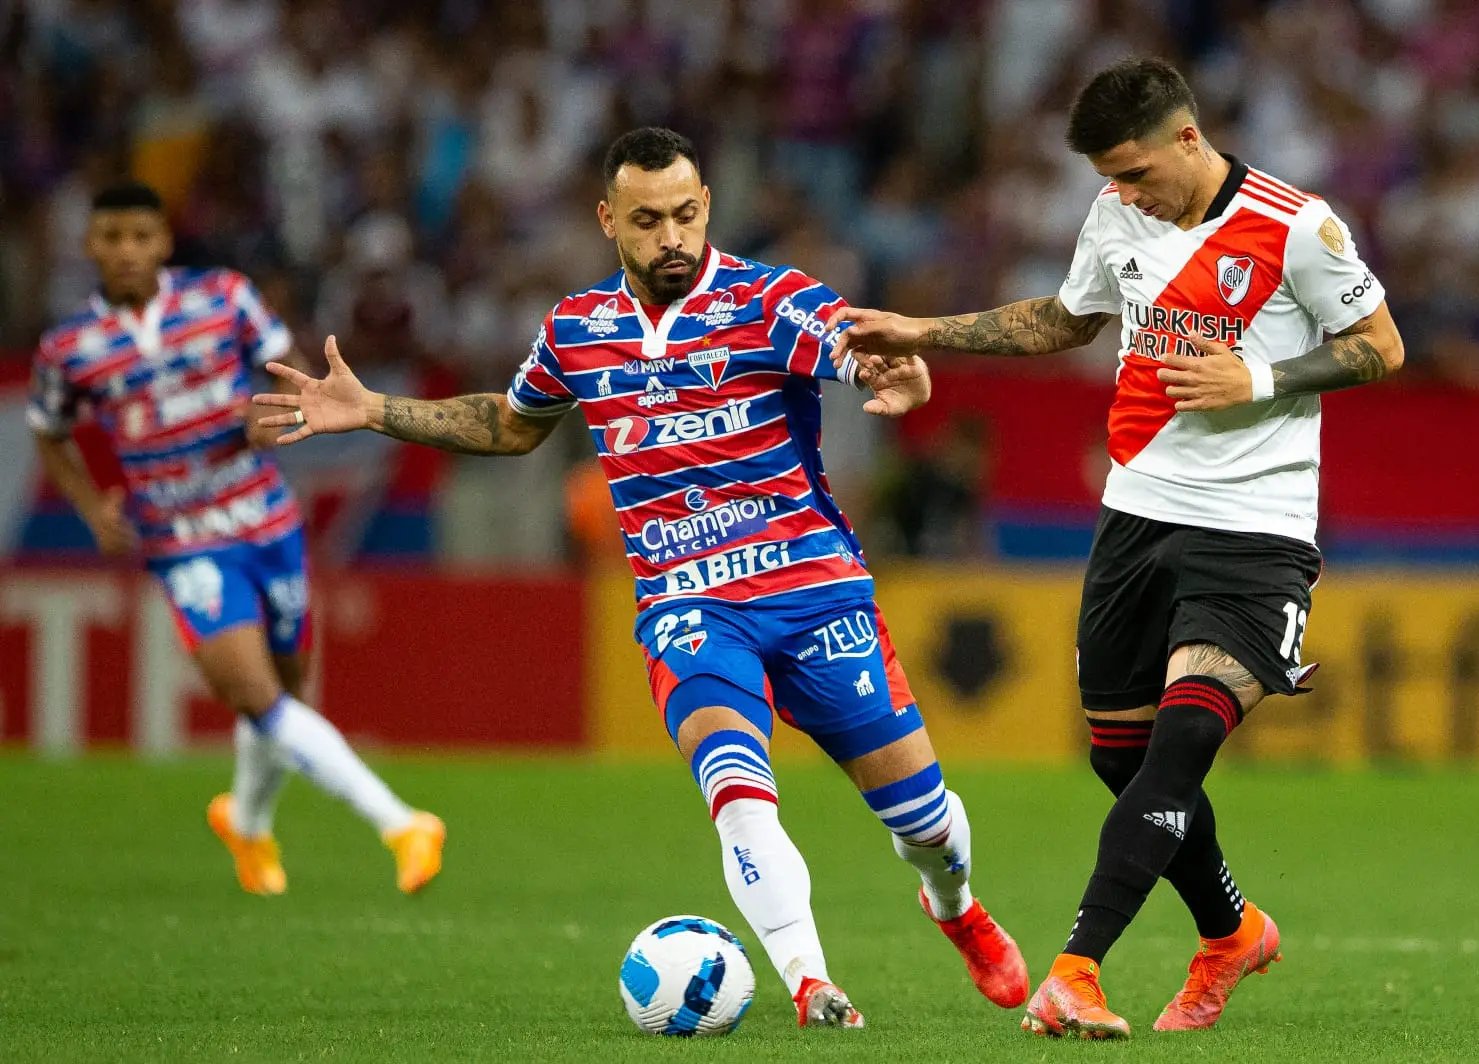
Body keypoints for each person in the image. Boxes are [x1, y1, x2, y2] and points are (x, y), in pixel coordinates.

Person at [255, 128, 1028, 1028]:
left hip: (816, 593)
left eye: (687, 215)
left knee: (924, 822)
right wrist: (375, 409)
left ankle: (955, 906)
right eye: (649, 220)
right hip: (689, 606)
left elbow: (853, 347)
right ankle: (812, 982)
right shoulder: (577, 331)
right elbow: (512, 425)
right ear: (607, 221)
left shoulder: (771, 298)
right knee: (739, 795)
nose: (672, 237)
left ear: (708, 207)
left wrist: (891, 372)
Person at [825, 58, 1405, 1039]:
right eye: (1111, 177)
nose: (1124, 191)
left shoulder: (1297, 225)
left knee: (1180, 742)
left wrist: (1259, 377)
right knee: (1121, 757)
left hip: (1253, 530)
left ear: (1188, 137)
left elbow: (1382, 345)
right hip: (1136, 515)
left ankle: (1076, 968)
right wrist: (922, 328)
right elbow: (1066, 317)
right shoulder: (1115, 215)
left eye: (1135, 172)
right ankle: (1231, 929)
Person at [28, 181, 445, 897]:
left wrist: (268, 417)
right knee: (258, 695)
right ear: (91, 245)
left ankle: (246, 824)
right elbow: (48, 429)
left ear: (162, 241)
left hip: (266, 519)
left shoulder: (224, 298)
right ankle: (401, 823)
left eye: (139, 236)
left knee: (280, 700)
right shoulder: (72, 349)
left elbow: (286, 372)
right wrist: (93, 508)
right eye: (112, 237)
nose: (127, 251)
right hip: (183, 538)